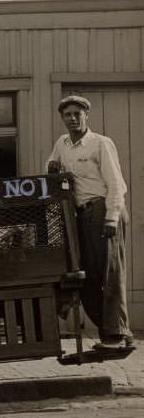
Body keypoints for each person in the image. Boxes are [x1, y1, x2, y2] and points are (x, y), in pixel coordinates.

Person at [47, 93, 134, 351]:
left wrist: (111, 217)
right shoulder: (62, 144)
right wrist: (52, 167)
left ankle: (115, 336)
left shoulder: (100, 143)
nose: (73, 119)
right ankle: (117, 331)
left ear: (87, 116)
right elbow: (52, 165)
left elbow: (117, 184)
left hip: (103, 209)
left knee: (110, 273)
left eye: (78, 114)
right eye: (68, 115)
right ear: (62, 118)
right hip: (80, 214)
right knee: (89, 276)